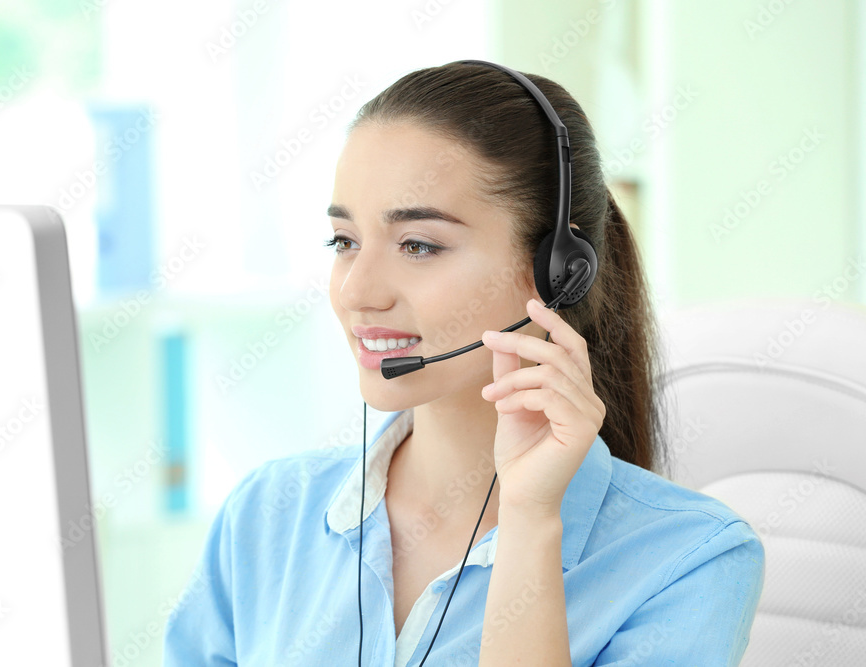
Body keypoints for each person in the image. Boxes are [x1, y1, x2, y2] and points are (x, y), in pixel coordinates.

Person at [162, 62, 765, 666]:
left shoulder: (691, 560)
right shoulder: (268, 515)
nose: (357, 291)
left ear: (561, 271)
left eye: (418, 245)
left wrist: (529, 522)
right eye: (344, 241)